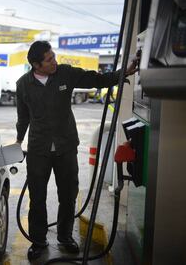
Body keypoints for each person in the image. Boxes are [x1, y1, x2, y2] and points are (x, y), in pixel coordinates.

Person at [15, 41, 139, 260]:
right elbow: (23, 116)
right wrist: (18, 140)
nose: (54, 61)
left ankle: (64, 236)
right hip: (38, 149)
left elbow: (95, 79)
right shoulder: (23, 84)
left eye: (53, 56)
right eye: (49, 59)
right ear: (36, 65)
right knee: (37, 196)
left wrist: (122, 73)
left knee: (68, 193)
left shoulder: (65, 74)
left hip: (66, 146)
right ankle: (38, 240)